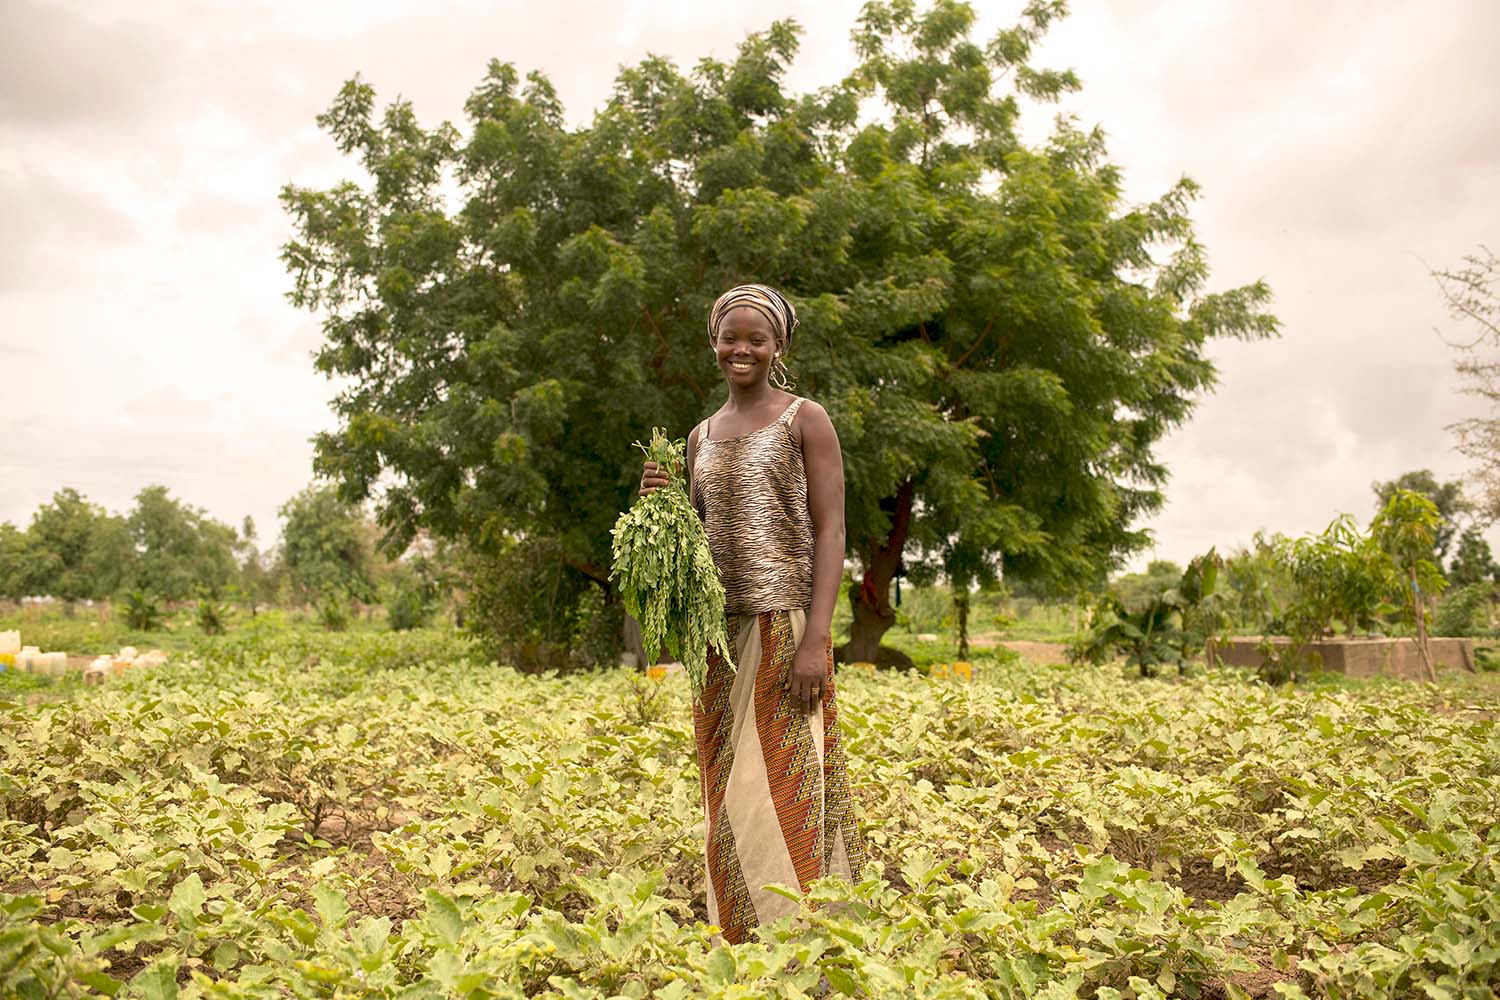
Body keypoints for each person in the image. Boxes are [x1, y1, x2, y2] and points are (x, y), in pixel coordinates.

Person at [639, 283, 865, 944]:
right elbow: (691, 539)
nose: (742, 349)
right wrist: (656, 498)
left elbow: (832, 532)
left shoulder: (805, 419)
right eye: (730, 337)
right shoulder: (700, 435)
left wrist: (815, 640)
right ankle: (740, 946)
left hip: (784, 627)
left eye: (755, 339)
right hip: (719, 639)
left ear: (778, 347)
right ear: (714, 344)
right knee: (728, 802)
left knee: (791, 790)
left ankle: (810, 948)